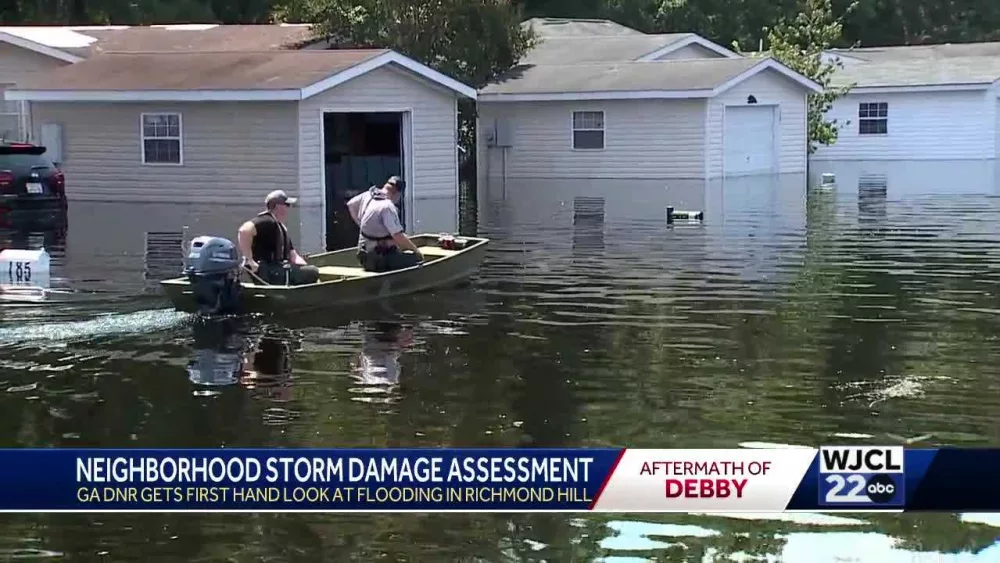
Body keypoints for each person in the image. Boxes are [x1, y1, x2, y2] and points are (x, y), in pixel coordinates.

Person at [237, 190, 320, 285]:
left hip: (278, 269)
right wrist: (250, 260)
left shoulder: (280, 227)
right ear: (278, 206)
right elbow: (244, 231)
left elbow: (293, 255)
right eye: (286, 205)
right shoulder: (267, 221)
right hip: (269, 271)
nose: (288, 208)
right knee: (312, 272)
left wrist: (303, 267)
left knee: (311, 271)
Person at [346, 175, 424, 272]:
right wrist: (416, 251)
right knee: (415, 259)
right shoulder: (387, 206)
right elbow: (397, 235)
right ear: (397, 194)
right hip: (378, 259)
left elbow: (351, 204)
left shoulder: (368, 195)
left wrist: (362, 225)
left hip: (363, 256)